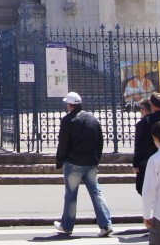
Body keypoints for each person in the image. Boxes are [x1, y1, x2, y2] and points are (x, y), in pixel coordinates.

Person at [53, 92, 113, 237]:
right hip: (91, 162)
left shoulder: (68, 120)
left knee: (71, 194)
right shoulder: (92, 118)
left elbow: (64, 143)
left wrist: (59, 160)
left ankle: (67, 226)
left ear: (69, 105)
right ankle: (106, 224)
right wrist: (96, 159)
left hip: (73, 163)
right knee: (96, 192)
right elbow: (100, 141)